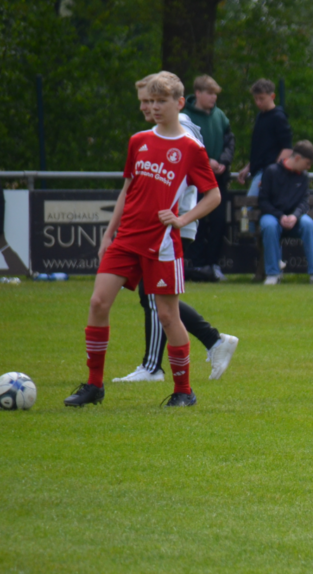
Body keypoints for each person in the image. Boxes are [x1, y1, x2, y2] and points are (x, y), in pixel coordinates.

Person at [65, 72, 221, 408]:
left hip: (162, 243)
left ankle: (184, 391)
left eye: (161, 101)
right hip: (126, 239)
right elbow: (128, 189)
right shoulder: (138, 140)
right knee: (97, 303)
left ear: (179, 103)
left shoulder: (191, 149)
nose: (154, 107)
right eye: (149, 102)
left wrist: (181, 219)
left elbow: (213, 196)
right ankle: (94, 386)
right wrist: (109, 233)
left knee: (168, 316)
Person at [112, 73, 238, 385]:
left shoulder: (180, 127)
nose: (146, 108)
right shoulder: (159, 129)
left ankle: (155, 365)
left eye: (150, 101)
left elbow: (190, 172)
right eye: (143, 102)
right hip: (161, 221)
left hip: (171, 222)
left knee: (155, 295)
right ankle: (209, 341)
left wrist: (181, 215)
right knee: (152, 296)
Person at [183, 74, 234, 281]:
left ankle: (213, 264)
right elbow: (184, 145)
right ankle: (196, 265)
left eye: (215, 94)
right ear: (198, 93)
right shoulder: (184, 116)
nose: (214, 98)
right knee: (197, 220)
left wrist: (223, 160)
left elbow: (230, 141)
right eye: (210, 93)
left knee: (219, 221)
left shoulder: (220, 115)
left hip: (218, 179)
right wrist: (207, 161)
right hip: (192, 179)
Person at [259, 140, 313, 286]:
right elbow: (263, 201)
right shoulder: (271, 171)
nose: (308, 167)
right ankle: (273, 274)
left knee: (309, 225)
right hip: (273, 216)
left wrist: (294, 216)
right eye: (307, 163)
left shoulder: (303, 176)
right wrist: (280, 216)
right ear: (297, 158)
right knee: (268, 225)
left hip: (295, 218)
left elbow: (303, 202)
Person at [238, 79, 292, 197]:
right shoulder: (260, 117)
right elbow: (261, 149)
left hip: (267, 172)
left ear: (272, 96)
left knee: (247, 208)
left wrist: (272, 173)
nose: (258, 102)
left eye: (261, 98)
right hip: (259, 170)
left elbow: (287, 149)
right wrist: (249, 167)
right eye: (256, 99)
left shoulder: (278, 117)